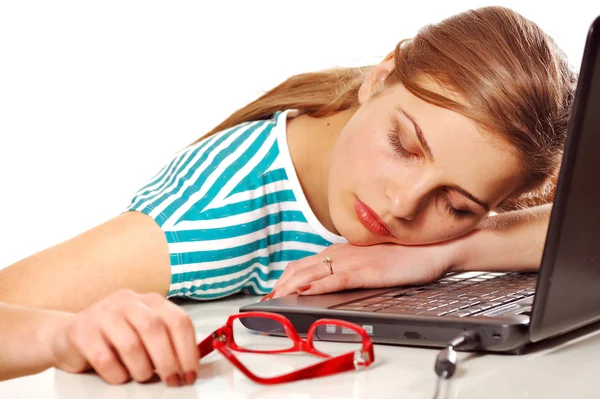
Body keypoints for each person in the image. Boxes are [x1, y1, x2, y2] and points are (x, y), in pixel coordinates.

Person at [0, 5, 576, 387]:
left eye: (457, 206)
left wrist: (447, 252)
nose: (403, 205)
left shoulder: (477, 181)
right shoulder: (214, 219)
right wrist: (59, 333)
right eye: (403, 144)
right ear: (381, 77)